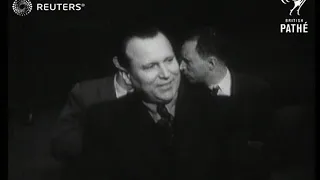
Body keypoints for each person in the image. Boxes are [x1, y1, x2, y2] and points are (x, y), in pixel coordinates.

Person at [60, 25, 257, 180]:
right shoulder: (102, 120)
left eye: (169, 60)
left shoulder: (222, 110)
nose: (166, 74)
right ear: (128, 76)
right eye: (150, 66)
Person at [51, 67, 133, 161]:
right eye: (149, 66)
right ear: (120, 65)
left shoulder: (151, 96)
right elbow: (60, 144)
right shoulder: (84, 93)